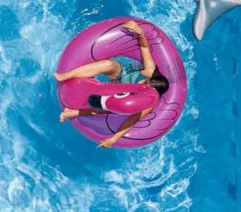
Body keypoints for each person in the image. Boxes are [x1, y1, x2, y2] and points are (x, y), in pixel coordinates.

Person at [54, 20, 170, 148]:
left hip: (118, 95)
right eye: (146, 82)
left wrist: (113, 139)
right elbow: (144, 47)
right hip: (119, 76)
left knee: (108, 108)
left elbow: (132, 120)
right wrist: (140, 33)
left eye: (147, 87)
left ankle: (74, 112)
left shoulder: (147, 102)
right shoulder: (149, 70)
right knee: (109, 64)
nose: (143, 85)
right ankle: (67, 75)